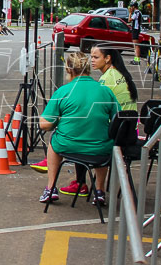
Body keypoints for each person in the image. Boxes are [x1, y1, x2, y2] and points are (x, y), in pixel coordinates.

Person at [55, 45, 139, 196]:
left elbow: (92, 111)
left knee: (83, 129)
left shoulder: (106, 80)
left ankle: (81, 183)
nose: (92, 60)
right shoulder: (120, 74)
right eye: (91, 57)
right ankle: (89, 185)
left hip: (117, 135)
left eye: (96, 57)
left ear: (107, 58)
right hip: (128, 131)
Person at [37, 52, 120, 206]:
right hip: (99, 148)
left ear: (69, 70)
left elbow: (45, 124)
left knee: (54, 141)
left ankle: (50, 188)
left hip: (68, 145)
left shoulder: (63, 91)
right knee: (105, 142)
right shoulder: (105, 91)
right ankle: (100, 190)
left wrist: (59, 121)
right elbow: (118, 118)